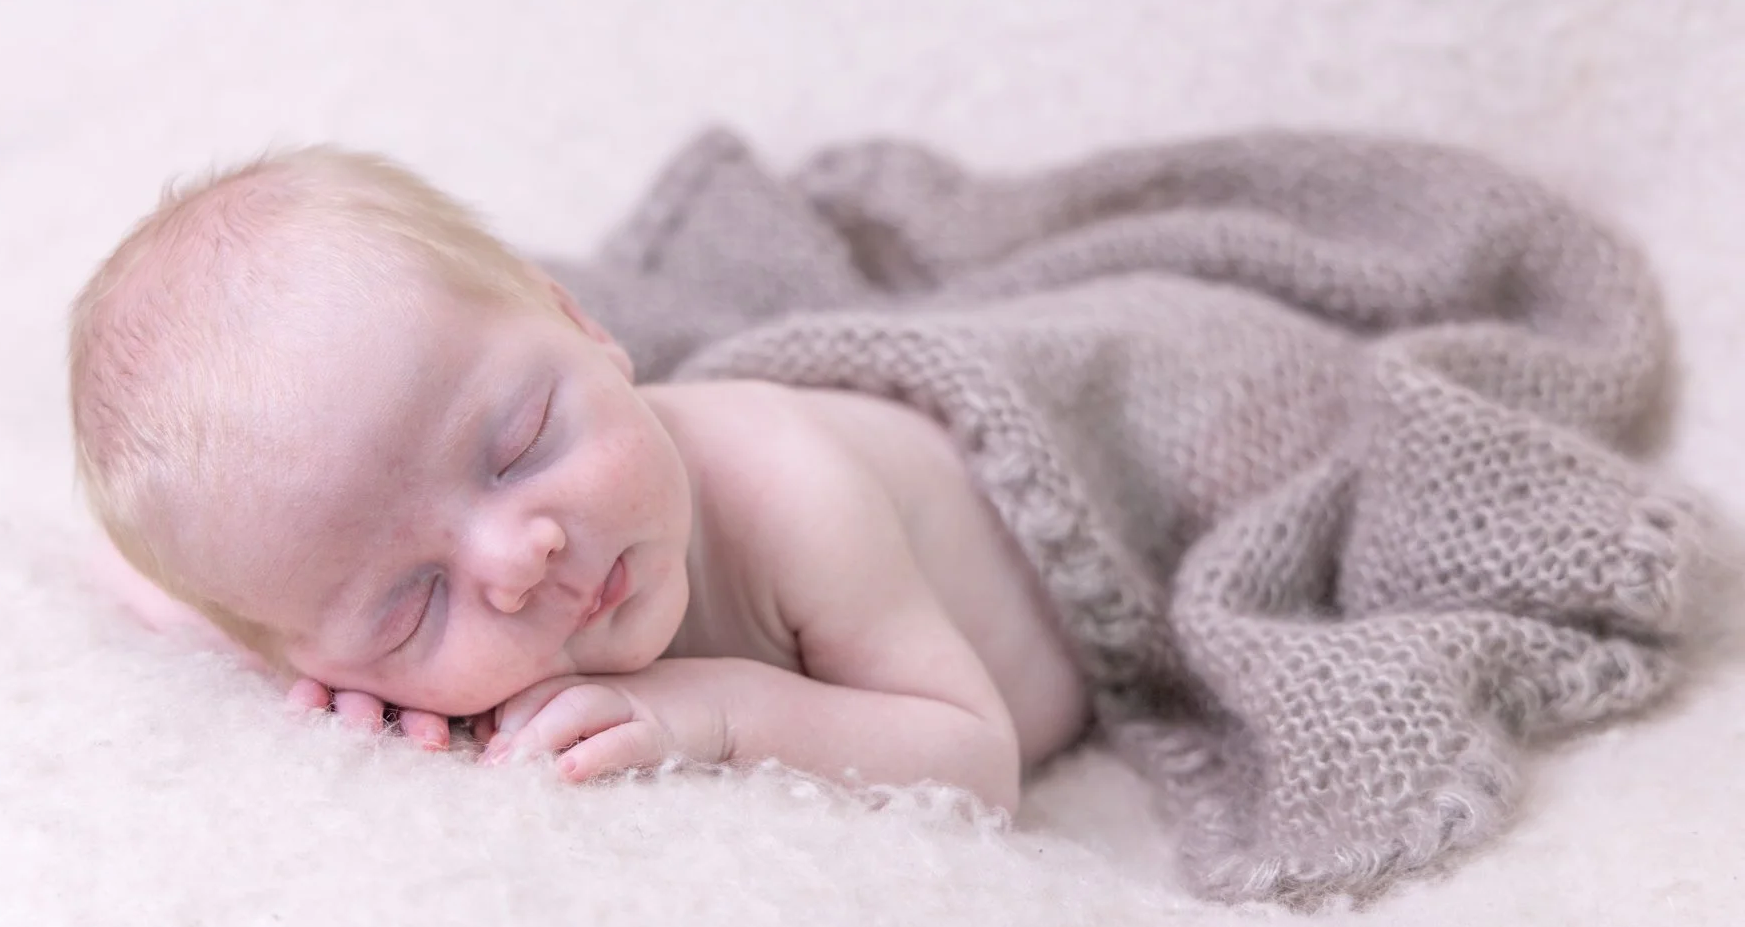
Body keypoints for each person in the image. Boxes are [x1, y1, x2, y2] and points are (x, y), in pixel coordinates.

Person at [69, 146, 1093, 814]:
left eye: (517, 444)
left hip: (1055, 520)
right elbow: (170, 585)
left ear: (585, 326)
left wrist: (720, 718)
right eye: (409, 604)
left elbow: (976, 759)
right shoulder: (331, 602)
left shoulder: (792, 490)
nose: (519, 558)